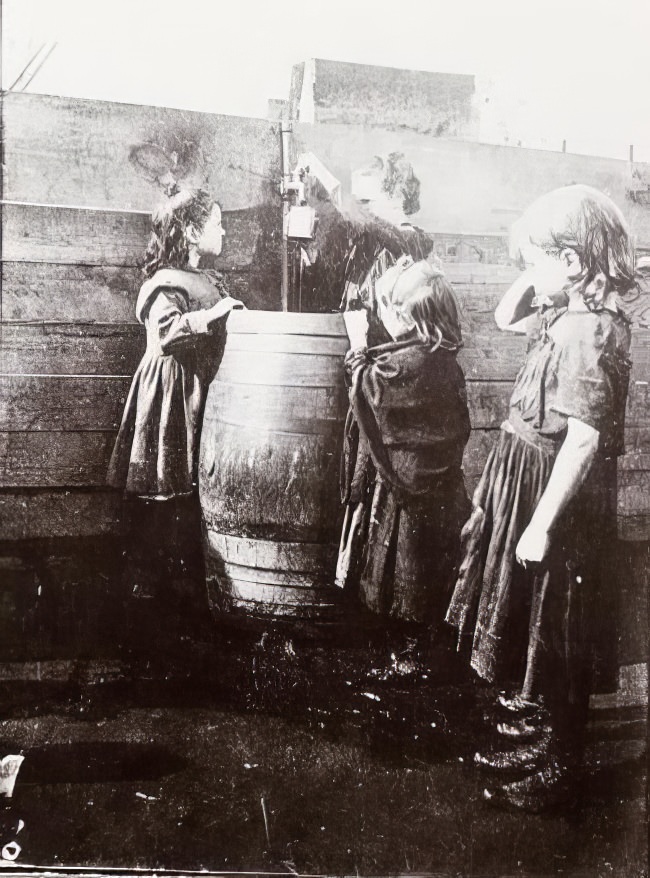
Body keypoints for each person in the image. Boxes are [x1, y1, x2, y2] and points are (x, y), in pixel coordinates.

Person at [445, 184, 637, 811]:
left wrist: (541, 525)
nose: (527, 274)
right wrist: (538, 270)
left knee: (561, 626)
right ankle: (543, 736)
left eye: (538, 260)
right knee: (540, 622)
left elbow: (582, 438)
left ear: (575, 263)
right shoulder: (567, 315)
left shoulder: (586, 332)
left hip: (557, 494)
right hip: (530, 475)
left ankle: (562, 765)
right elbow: (505, 317)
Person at [107, 188, 243, 624]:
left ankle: (182, 594)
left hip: (197, 389)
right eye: (215, 223)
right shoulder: (167, 282)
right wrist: (215, 315)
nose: (222, 230)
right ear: (189, 231)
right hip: (168, 393)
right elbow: (168, 334)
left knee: (187, 491)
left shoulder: (209, 279)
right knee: (162, 485)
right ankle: (148, 599)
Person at [339, 256, 471, 675]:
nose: (386, 316)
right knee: (429, 562)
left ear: (416, 319)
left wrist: (358, 346)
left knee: (408, 563)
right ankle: (421, 645)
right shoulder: (440, 356)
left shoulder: (407, 363)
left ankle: (413, 654)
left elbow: (370, 388)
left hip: (408, 479)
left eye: (394, 310)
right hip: (439, 479)